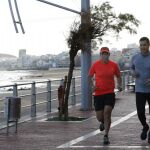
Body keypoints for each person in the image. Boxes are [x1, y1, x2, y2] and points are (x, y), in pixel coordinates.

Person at [88, 47, 122, 145]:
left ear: (108, 55)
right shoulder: (95, 65)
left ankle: (106, 135)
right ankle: (103, 122)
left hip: (109, 93)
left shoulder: (114, 65)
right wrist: (92, 86)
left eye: (106, 54)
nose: (104, 55)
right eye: (103, 54)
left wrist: (119, 85)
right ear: (100, 55)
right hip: (98, 94)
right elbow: (89, 76)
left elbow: (119, 76)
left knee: (107, 113)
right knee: (99, 117)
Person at [130, 36, 150, 144]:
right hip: (140, 90)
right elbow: (131, 68)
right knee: (140, 113)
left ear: (148, 45)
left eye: (144, 45)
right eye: (141, 45)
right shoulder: (135, 57)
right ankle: (145, 126)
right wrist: (133, 73)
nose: (142, 47)